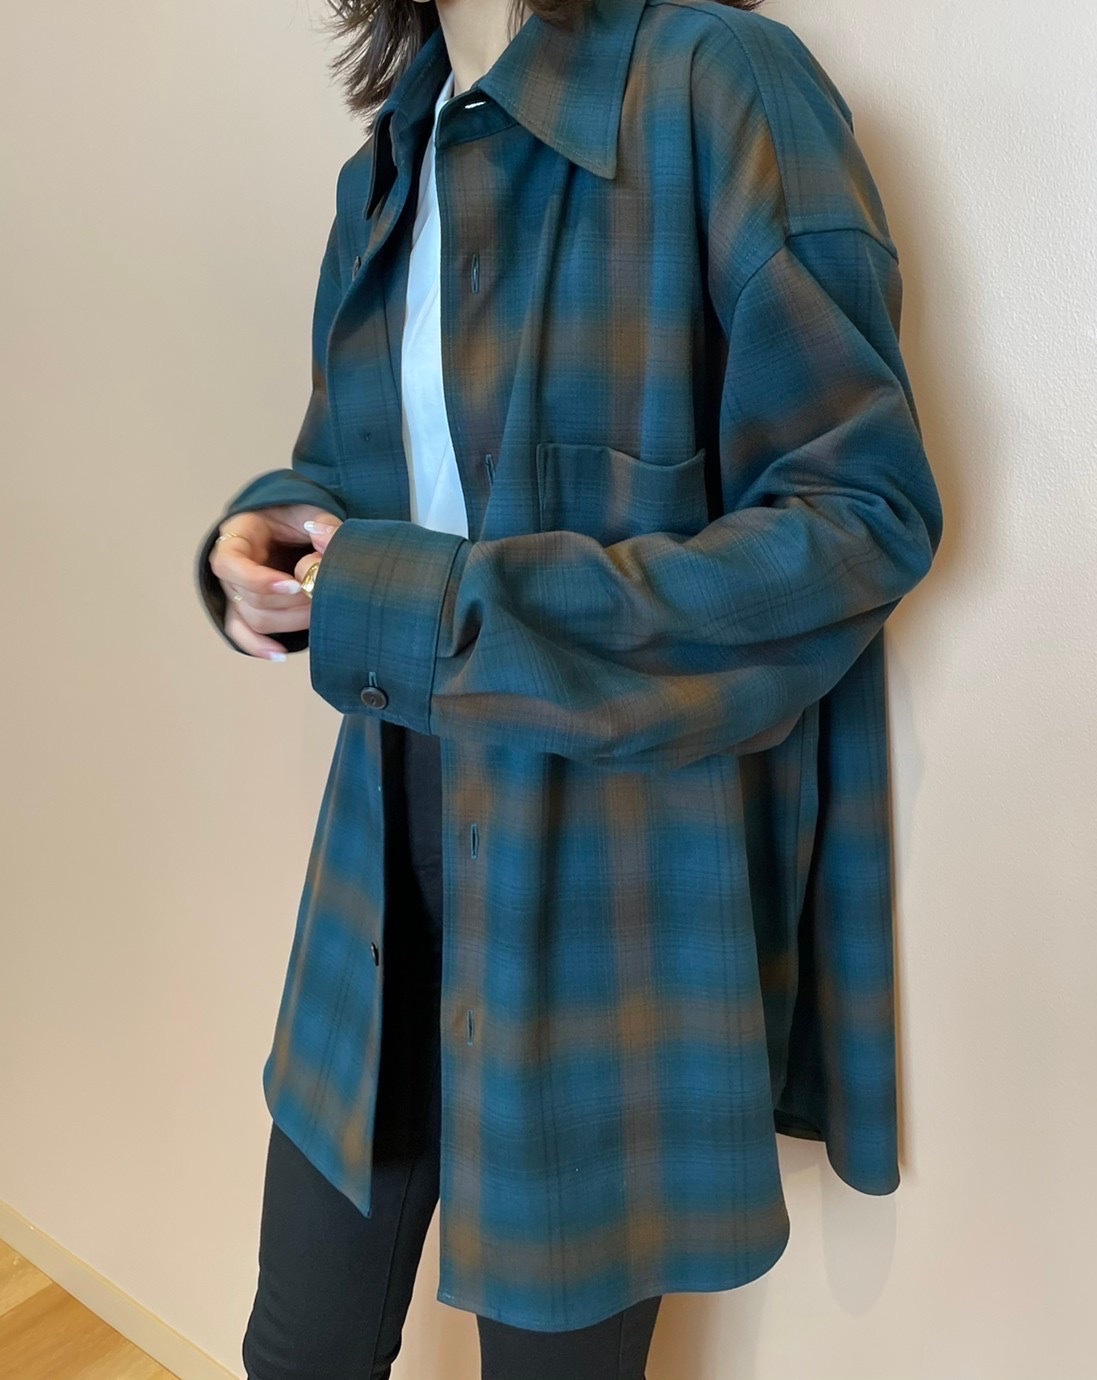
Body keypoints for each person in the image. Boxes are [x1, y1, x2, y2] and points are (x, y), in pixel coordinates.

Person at [194, 0, 944, 1373]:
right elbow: (353, 475)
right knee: (297, 1349)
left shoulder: (719, 85)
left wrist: (436, 606)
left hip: (610, 886)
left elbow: (861, 520)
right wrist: (270, 540)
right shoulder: (389, 162)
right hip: (381, 862)